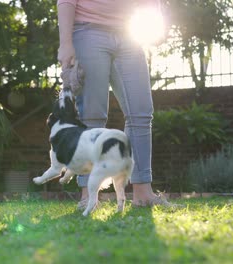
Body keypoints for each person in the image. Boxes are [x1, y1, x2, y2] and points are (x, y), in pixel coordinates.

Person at [56, 0, 175, 208]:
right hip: (88, 30)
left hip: (129, 32)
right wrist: (65, 43)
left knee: (140, 112)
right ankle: (88, 196)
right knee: (92, 116)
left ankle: (143, 194)